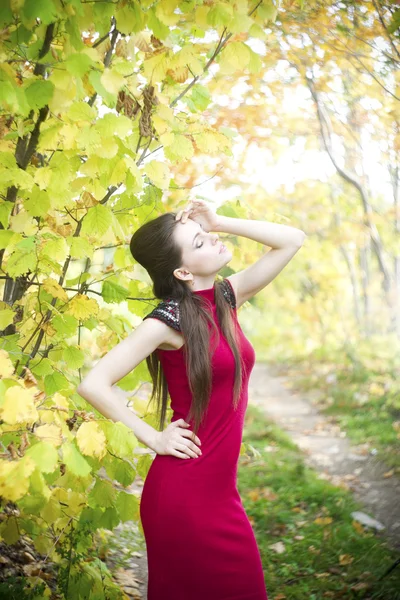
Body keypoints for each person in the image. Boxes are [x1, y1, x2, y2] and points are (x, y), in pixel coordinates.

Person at [77, 199, 306, 599]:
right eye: (200, 243)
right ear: (182, 271)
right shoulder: (167, 320)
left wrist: (219, 220)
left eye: (207, 236)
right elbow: (94, 383)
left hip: (219, 494)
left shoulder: (225, 297)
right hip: (184, 496)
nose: (213, 241)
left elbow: (292, 240)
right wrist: (154, 438)